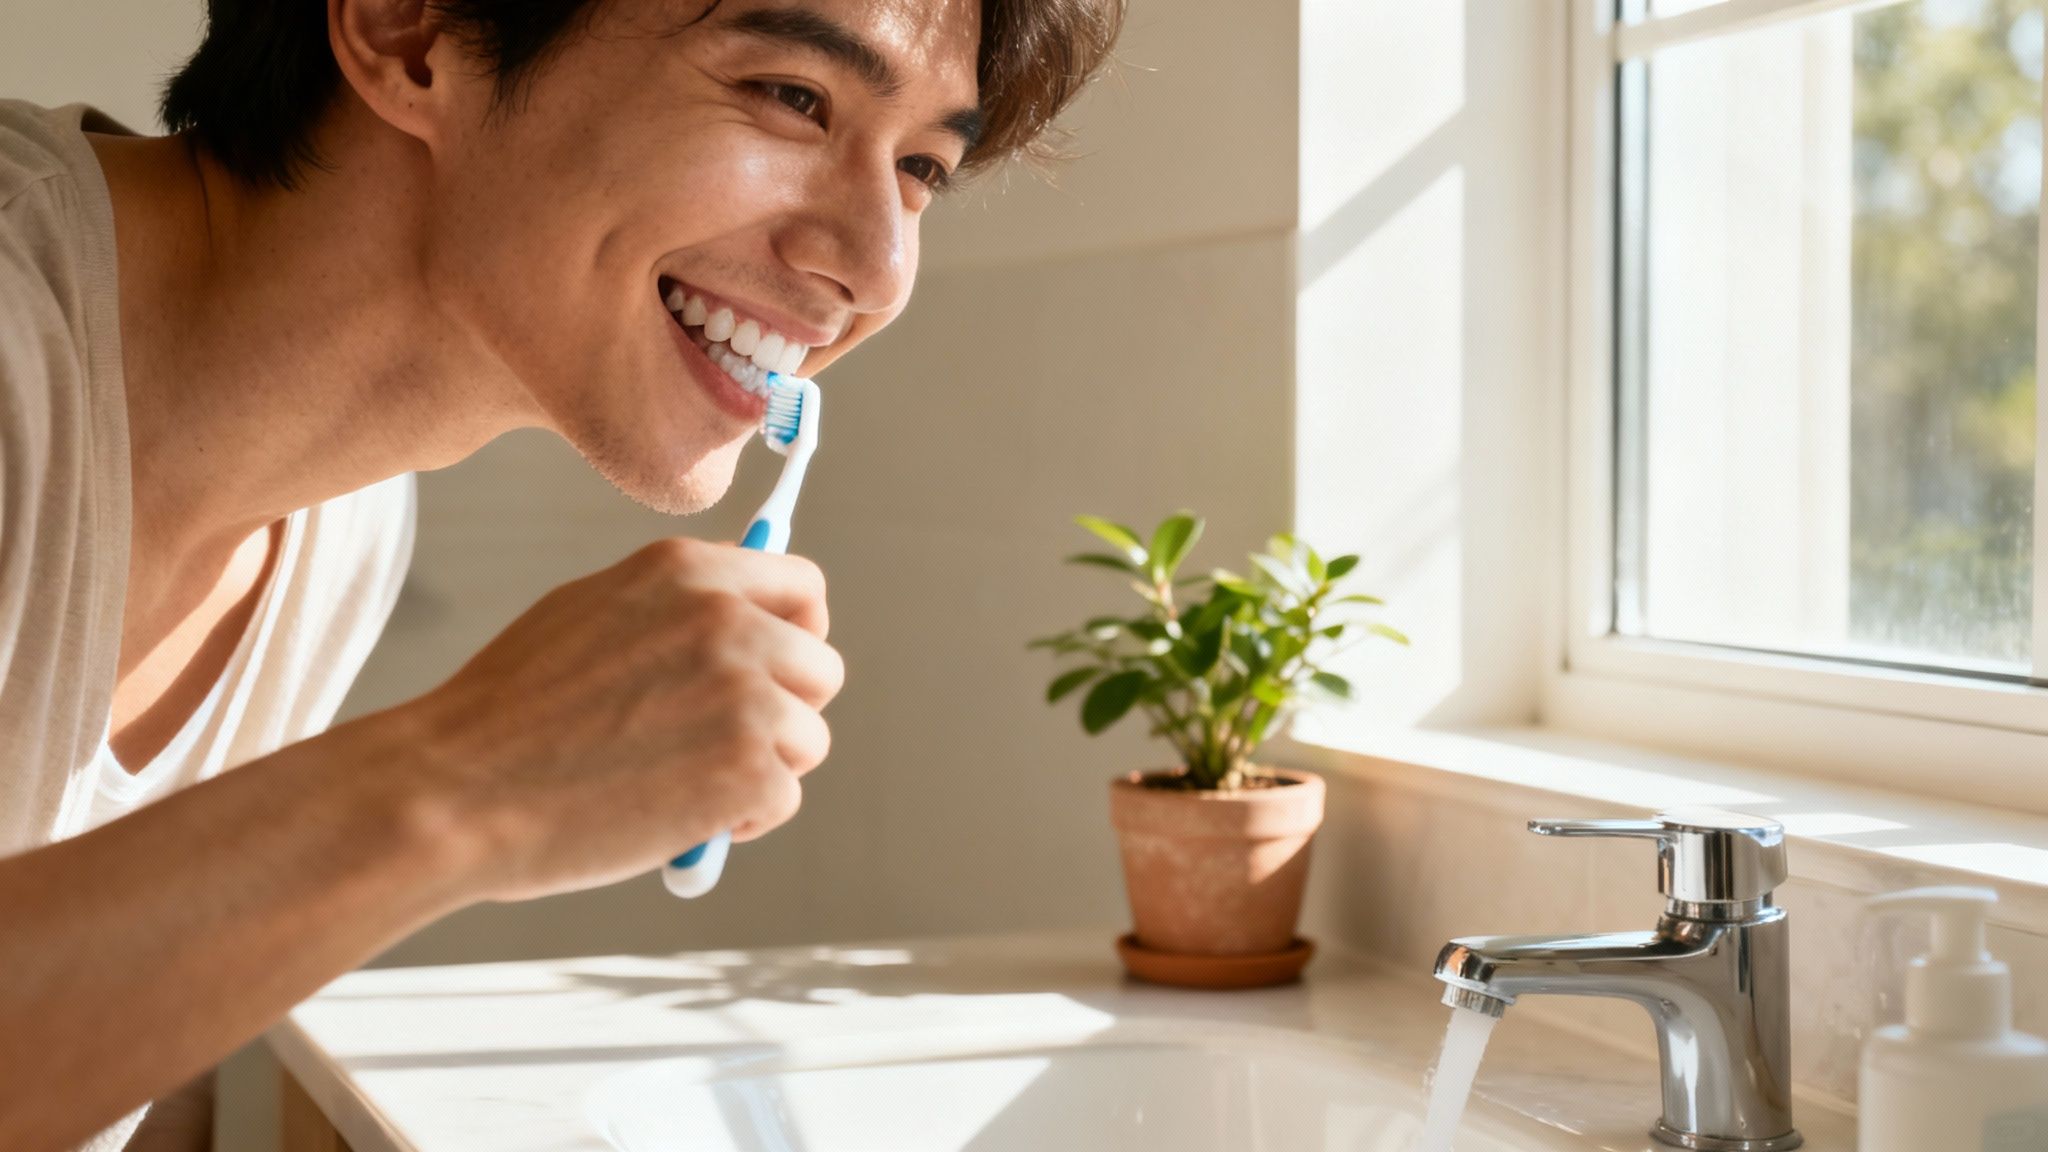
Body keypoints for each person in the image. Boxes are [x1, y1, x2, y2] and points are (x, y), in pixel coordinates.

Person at [0, 0, 1121, 1146]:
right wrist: (455, 786)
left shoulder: (346, 522)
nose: (875, 268)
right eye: (793, 97)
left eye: (924, 166)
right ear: (410, 35)